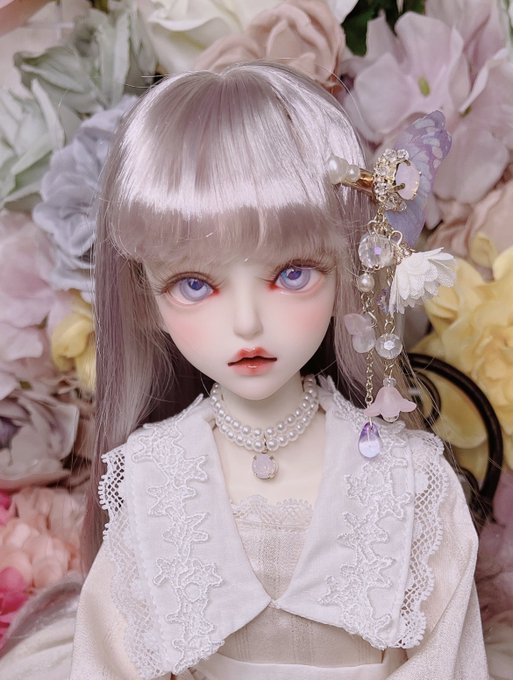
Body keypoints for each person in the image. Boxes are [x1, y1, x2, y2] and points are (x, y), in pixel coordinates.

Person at [70, 62, 488, 680]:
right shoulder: (151, 477)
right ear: (145, 297)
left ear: (347, 267)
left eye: (292, 274)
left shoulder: (410, 481)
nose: (247, 323)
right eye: (194, 284)